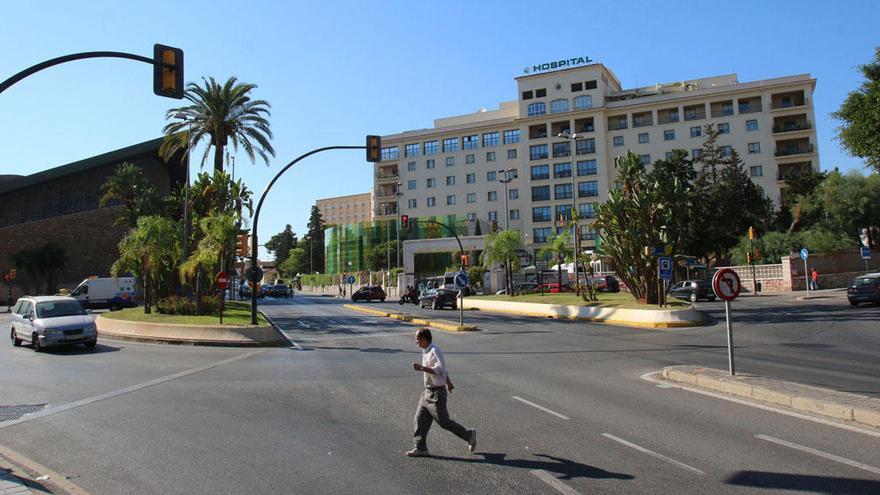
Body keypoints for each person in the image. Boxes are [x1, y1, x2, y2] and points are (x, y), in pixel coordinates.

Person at [407, 328, 476, 457]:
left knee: (444, 422)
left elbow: (440, 369)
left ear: (424, 339)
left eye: (417, 339)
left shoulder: (434, 350)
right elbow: (443, 371)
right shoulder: (425, 350)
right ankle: (420, 447)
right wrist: (448, 382)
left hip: (437, 393)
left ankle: (469, 435)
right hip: (427, 392)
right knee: (419, 418)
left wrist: (421, 368)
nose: (416, 341)